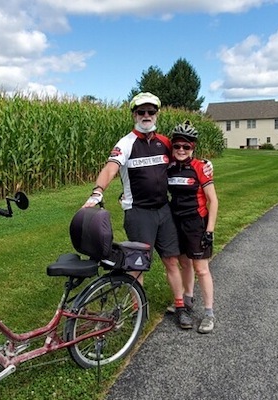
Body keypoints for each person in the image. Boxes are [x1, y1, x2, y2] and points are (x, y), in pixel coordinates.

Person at [82, 92, 194, 329]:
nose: (146, 116)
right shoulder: (126, 143)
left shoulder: (164, 142)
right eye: (141, 112)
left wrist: (203, 166)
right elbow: (111, 168)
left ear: (156, 114)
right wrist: (97, 191)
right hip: (138, 212)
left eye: (150, 112)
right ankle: (138, 309)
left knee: (171, 260)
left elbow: (184, 158)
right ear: (134, 114)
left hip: (164, 210)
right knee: (137, 264)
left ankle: (181, 306)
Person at [167, 121, 218, 333]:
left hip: (196, 223)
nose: (181, 150)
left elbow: (213, 200)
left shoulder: (200, 168)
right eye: (177, 146)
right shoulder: (168, 167)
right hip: (175, 221)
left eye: (186, 147)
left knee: (201, 268)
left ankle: (209, 313)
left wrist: (209, 231)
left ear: (193, 148)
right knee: (184, 263)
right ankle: (187, 302)